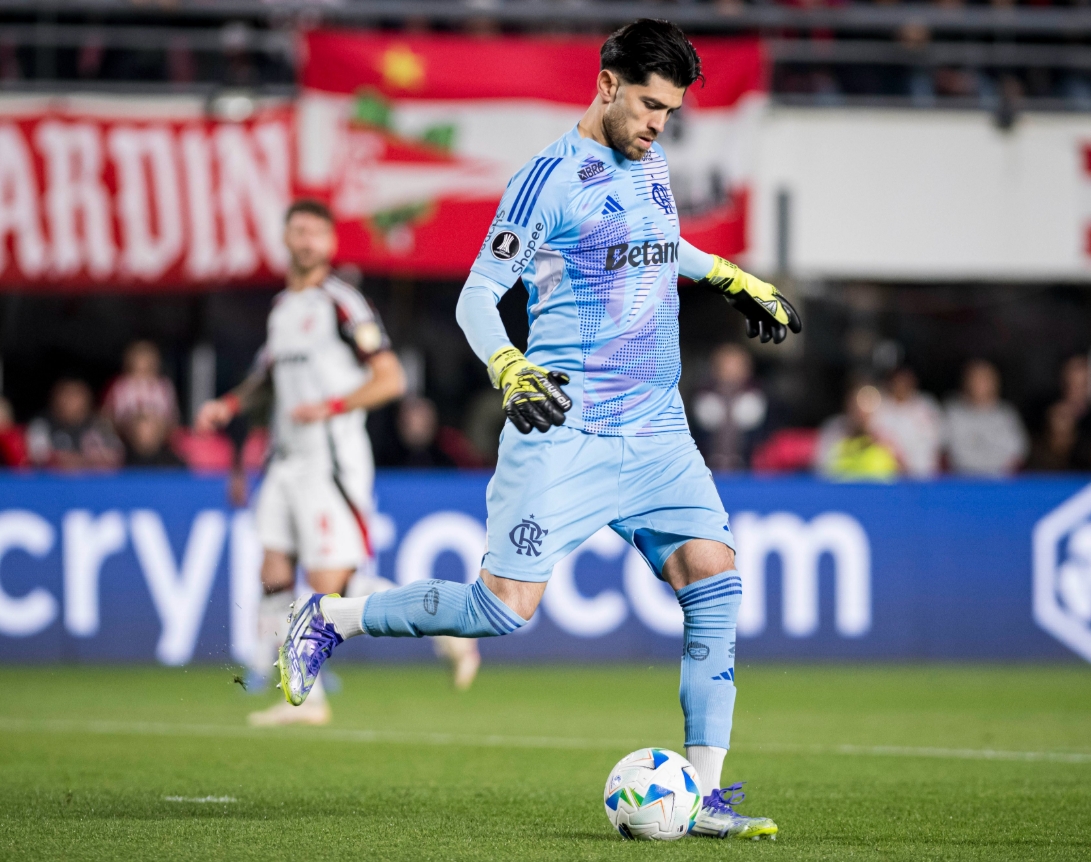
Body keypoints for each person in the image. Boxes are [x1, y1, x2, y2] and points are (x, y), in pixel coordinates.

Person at [273, 21, 799, 840]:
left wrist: (728, 274)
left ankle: (701, 794)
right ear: (607, 84)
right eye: (650, 106)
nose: (660, 124)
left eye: (671, 111)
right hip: (564, 421)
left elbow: (656, 244)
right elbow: (476, 296)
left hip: (657, 425)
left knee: (715, 579)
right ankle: (331, 619)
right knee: (502, 611)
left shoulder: (648, 157)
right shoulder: (547, 180)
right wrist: (510, 367)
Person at [195, 199, 409, 726]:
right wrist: (229, 404)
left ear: (331, 244)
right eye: (299, 231)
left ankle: (435, 618)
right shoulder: (281, 309)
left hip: (331, 461)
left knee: (326, 587)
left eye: (317, 232)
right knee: (272, 575)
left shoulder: (342, 302)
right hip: (285, 460)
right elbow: (266, 378)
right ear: (286, 239)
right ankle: (301, 698)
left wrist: (332, 406)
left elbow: (391, 378)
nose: (307, 240)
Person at [691, 343, 768, 471]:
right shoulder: (700, 398)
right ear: (715, 369)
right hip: (706, 471)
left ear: (747, 369)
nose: (731, 371)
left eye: (736, 366)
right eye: (726, 366)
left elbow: (769, 442)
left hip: (751, 474)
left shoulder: (762, 399)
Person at [944, 359, 1028, 477]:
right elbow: (952, 452)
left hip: (1000, 483)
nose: (980, 384)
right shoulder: (953, 412)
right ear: (966, 382)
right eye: (975, 379)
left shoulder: (1006, 413)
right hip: (962, 482)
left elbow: (1017, 451)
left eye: (985, 379)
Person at [26, 378, 121, 471]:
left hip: (92, 484)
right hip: (50, 484)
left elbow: (114, 456)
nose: (69, 400)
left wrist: (78, 461)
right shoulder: (41, 424)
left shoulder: (100, 424)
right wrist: (84, 460)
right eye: (65, 394)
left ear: (87, 398)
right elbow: (38, 456)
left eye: (75, 395)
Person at [815, 384, 900, 482]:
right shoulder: (833, 432)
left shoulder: (889, 437)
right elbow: (820, 471)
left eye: (869, 405)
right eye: (857, 408)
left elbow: (906, 474)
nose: (862, 415)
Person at [871, 366, 942, 478]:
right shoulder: (879, 408)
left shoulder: (927, 405)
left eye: (906, 380)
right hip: (891, 478)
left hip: (924, 476)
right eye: (898, 381)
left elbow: (936, 443)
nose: (902, 385)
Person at [101, 340, 178, 431]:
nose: (142, 367)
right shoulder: (120, 386)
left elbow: (172, 417)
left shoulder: (164, 386)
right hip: (125, 434)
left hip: (159, 434)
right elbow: (107, 416)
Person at [120, 410, 184, 468]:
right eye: (141, 431)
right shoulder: (119, 463)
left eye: (149, 430)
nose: (145, 436)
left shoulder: (173, 465)